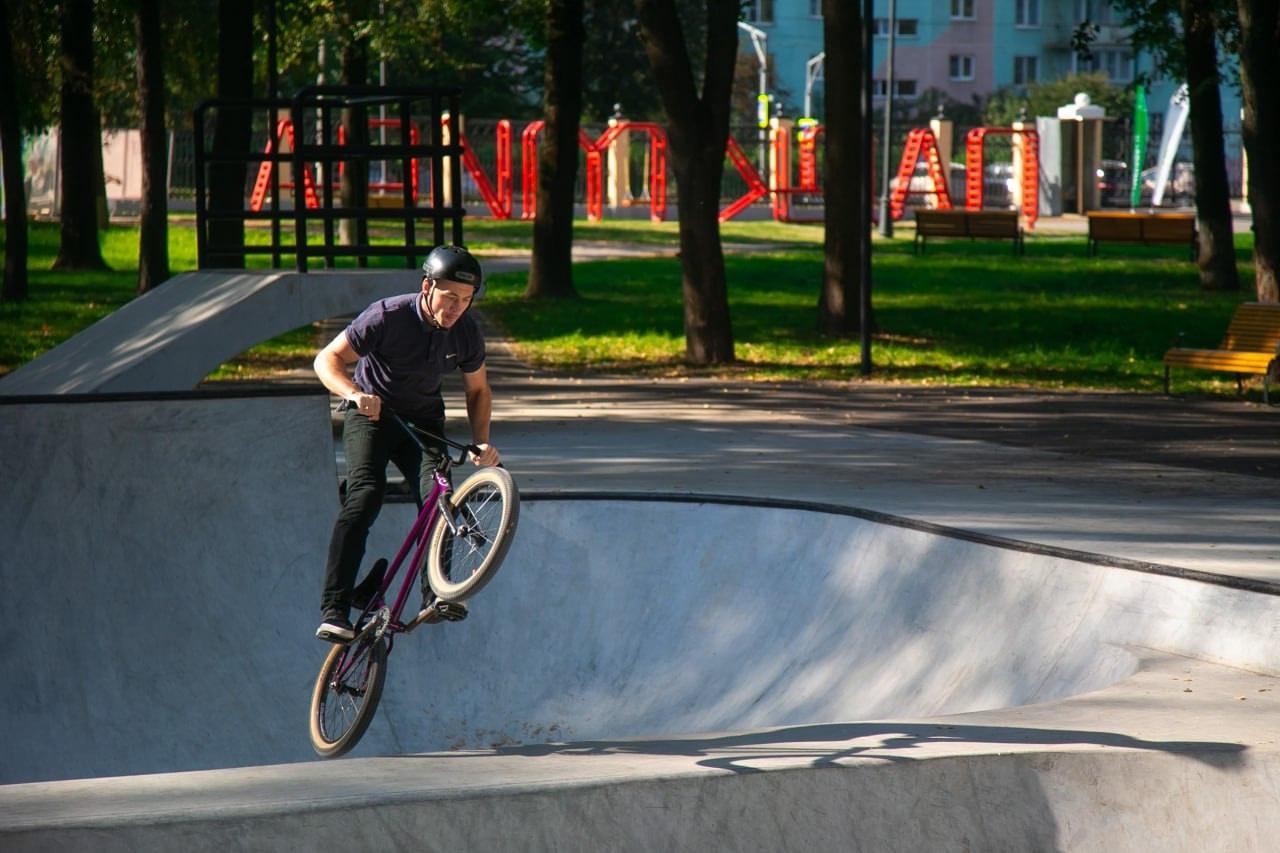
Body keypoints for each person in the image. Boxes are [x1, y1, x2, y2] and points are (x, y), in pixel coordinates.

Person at [313, 245, 501, 642]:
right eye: (449, 297)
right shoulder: (387, 315)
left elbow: (478, 390)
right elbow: (326, 360)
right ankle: (335, 607)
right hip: (371, 415)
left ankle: (435, 594)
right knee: (366, 493)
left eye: (465, 300)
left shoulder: (466, 332)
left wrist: (482, 443)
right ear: (427, 287)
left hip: (423, 423)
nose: (456, 308)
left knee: (439, 497)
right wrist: (353, 394)